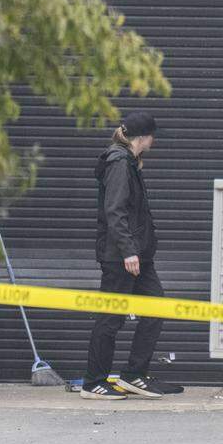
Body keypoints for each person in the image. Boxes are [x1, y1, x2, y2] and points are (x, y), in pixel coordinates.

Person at [81, 111, 179, 399]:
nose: (154, 140)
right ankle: (93, 382)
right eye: (152, 136)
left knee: (156, 308)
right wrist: (128, 251)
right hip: (121, 257)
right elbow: (115, 211)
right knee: (111, 319)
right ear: (144, 137)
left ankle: (134, 375)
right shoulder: (119, 163)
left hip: (139, 256)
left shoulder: (130, 162)